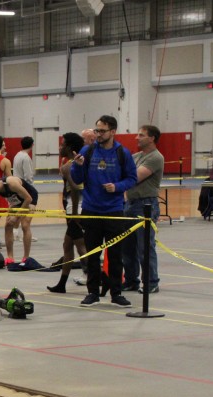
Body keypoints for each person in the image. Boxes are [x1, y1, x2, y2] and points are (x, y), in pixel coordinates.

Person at [70, 114, 138, 307]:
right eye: (96, 130)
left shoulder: (122, 153)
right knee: (92, 254)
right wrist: (77, 166)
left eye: (102, 131)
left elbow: (132, 178)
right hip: (91, 210)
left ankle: (116, 293)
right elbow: (77, 178)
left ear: (113, 131)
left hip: (114, 210)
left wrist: (117, 187)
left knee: (115, 255)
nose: (98, 134)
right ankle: (92, 293)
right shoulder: (88, 151)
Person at [121, 125, 164, 294]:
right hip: (130, 203)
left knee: (145, 247)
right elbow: (122, 172)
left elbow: (135, 177)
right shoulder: (136, 156)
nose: (136, 137)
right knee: (127, 246)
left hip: (146, 205)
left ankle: (151, 282)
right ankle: (131, 280)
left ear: (152, 138)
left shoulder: (156, 157)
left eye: (141, 135)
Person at [48, 132, 89, 293]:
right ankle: (62, 284)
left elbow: (76, 188)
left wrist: (74, 213)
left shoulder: (69, 166)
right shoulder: (79, 162)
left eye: (62, 144)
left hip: (75, 210)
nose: (60, 147)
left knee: (81, 247)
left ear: (70, 147)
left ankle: (96, 278)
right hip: (75, 208)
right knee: (68, 245)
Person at [0, 175, 38, 264]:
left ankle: (26, 257)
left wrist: (16, 216)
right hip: (17, 201)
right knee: (8, 225)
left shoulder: (12, 183)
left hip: (29, 198)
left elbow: (28, 199)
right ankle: (10, 257)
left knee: (25, 225)